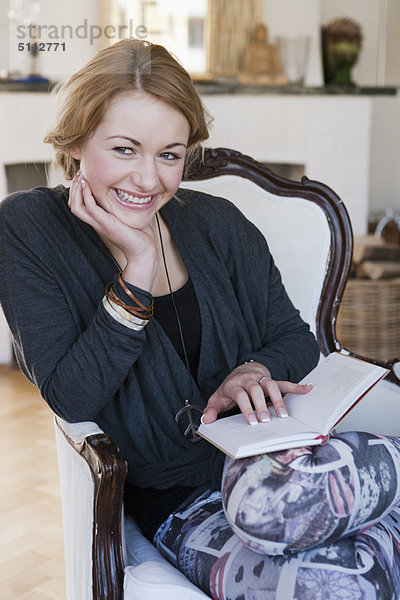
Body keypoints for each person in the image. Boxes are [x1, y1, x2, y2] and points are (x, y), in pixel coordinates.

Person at [0, 38, 399, 598]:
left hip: (285, 463)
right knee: (332, 574)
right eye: (124, 149)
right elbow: (73, 395)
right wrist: (137, 270)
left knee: (305, 510)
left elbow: (293, 337)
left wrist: (254, 369)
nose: (147, 179)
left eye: (168, 154)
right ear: (76, 139)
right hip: (181, 501)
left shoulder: (218, 223)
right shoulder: (29, 227)